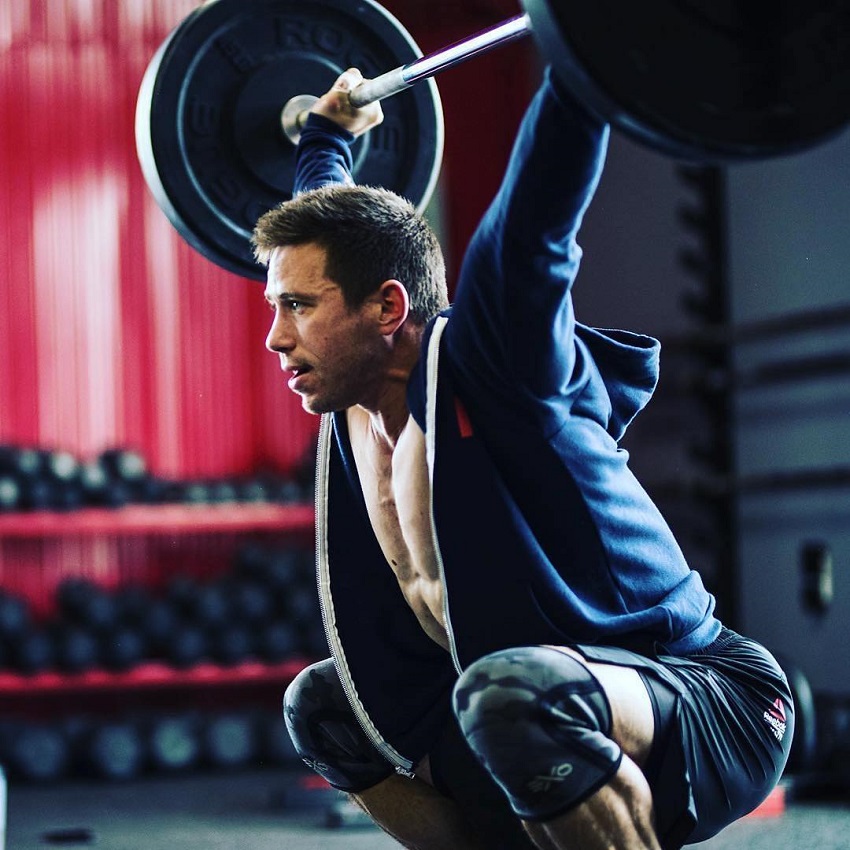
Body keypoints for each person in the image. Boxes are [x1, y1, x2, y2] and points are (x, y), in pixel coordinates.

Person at [251, 65, 793, 850]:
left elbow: (540, 216)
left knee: (512, 698)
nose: (275, 336)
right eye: (277, 307)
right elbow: (331, 233)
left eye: (296, 307)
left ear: (388, 308)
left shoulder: (500, 366)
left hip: (704, 699)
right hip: (517, 693)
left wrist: (582, 65)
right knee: (328, 709)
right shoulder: (356, 399)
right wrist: (328, 137)